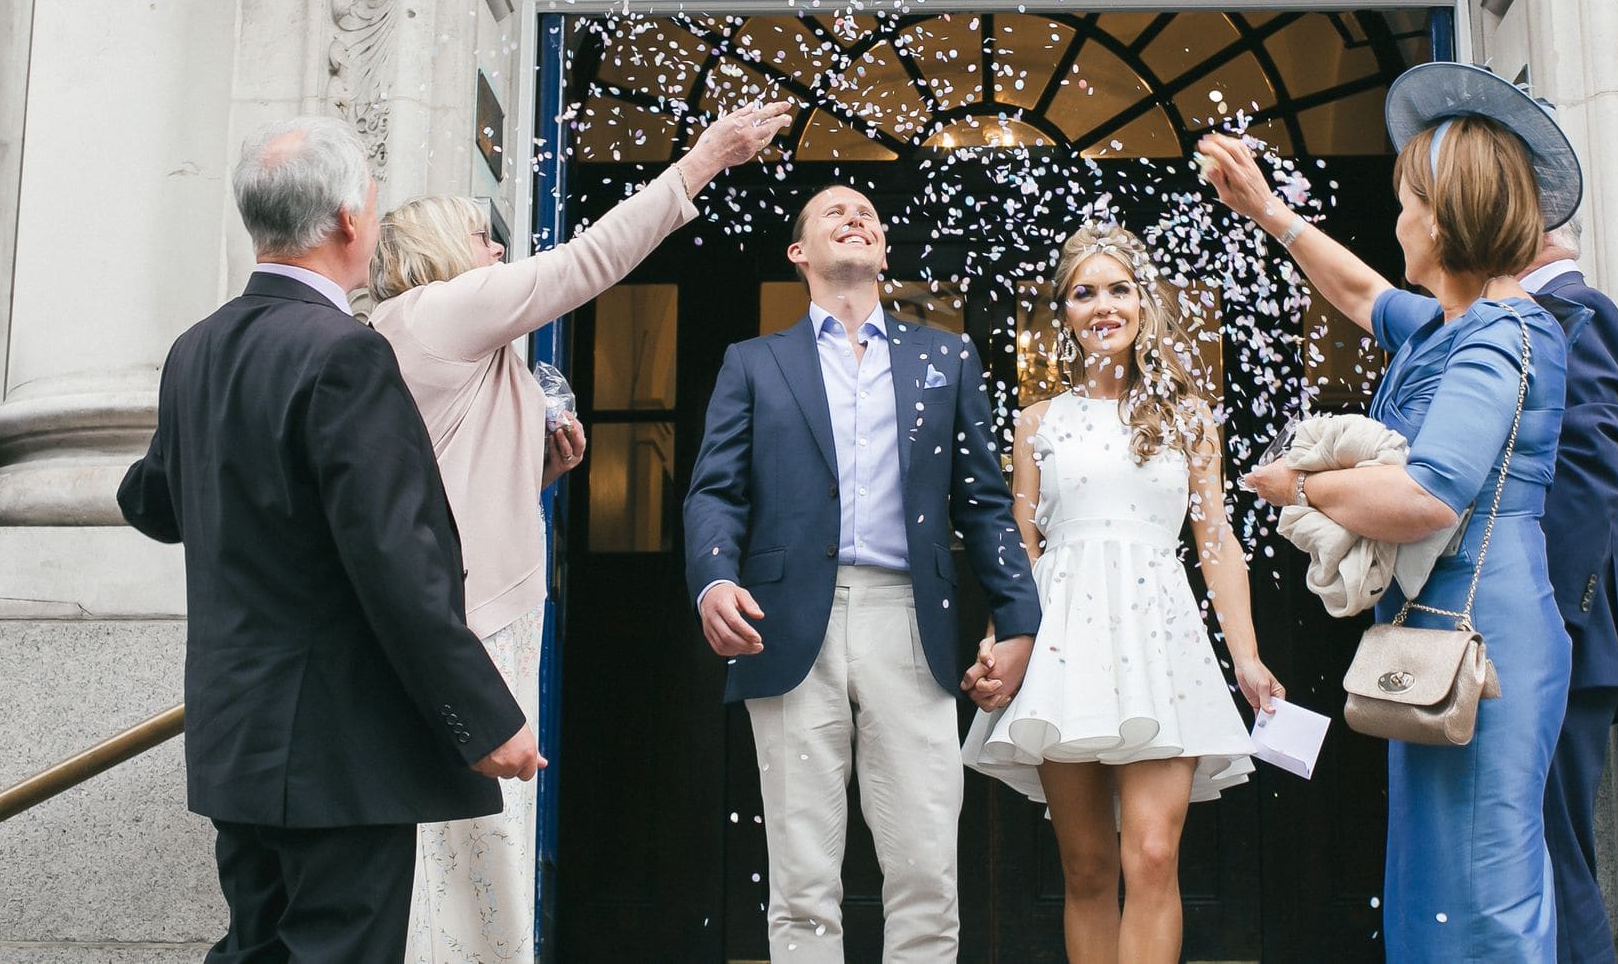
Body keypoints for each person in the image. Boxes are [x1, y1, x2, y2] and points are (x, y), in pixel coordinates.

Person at [367, 99, 789, 961]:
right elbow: (589, 259)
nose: (499, 252)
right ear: (441, 254)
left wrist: (543, 473)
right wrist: (707, 156)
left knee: (479, 838)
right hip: (474, 619)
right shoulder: (438, 310)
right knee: (472, 833)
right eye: (483, 240)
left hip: (486, 606)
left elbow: (446, 480)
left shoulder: (432, 337)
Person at [118, 117, 542, 962]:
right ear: (349, 219)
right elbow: (395, 561)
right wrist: (485, 716)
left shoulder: (193, 351)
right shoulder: (345, 355)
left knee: (257, 947)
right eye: (375, 209)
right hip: (338, 751)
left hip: (237, 736)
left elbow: (150, 503)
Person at [1200, 61, 1581, 961]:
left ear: (1445, 215)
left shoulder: (1503, 333)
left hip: (1484, 638)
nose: (1398, 218)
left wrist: (1298, 486)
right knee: (1433, 885)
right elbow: (1362, 293)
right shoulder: (1450, 324)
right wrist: (1267, 212)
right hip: (1434, 630)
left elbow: (1423, 496)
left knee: (1483, 894)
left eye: (1407, 201)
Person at [683, 184, 1042, 963]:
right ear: (799, 253)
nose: (858, 218)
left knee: (925, 865)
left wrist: (1018, 621)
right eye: (833, 213)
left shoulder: (945, 357)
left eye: (869, 215)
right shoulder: (752, 363)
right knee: (803, 876)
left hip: (910, 621)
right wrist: (714, 580)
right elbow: (716, 490)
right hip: (781, 624)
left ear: (882, 253)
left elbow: (983, 502)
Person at [961, 221, 1282, 964]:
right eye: (1084, 292)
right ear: (1064, 313)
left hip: (1158, 640)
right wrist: (997, 642)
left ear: (1144, 305)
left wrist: (1248, 656)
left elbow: (1216, 542)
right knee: (1086, 867)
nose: (1102, 305)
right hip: (1064, 642)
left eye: (1118, 289)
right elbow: (1021, 548)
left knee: (1151, 855)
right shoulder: (1038, 422)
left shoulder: (1187, 415)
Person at [1520, 218, 1618, 964]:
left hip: (1568, 637)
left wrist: (1545, 616)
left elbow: (1588, 471)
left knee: (1556, 856)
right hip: (1562, 637)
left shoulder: (1580, 313)